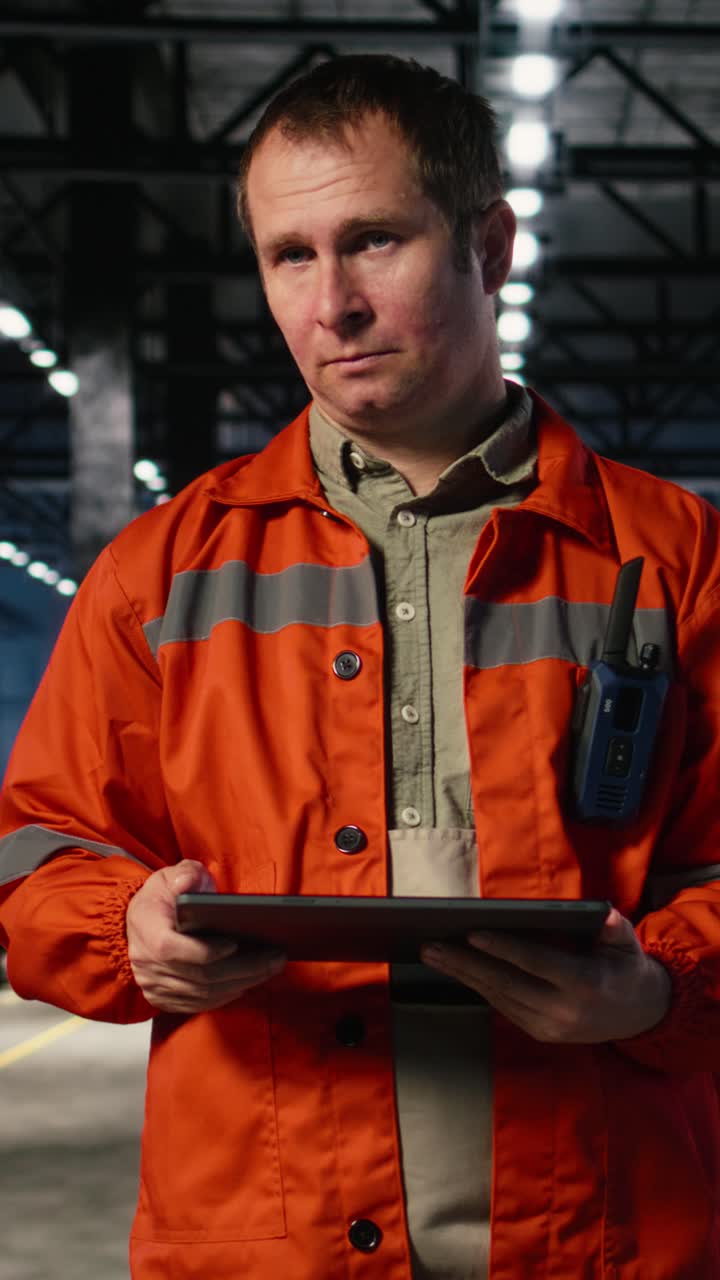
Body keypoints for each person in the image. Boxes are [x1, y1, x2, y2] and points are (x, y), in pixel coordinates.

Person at [1, 53, 720, 1280]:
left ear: (488, 245)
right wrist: (128, 930)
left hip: (603, 1225)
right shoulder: (158, 573)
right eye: (292, 254)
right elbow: (37, 847)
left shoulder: (674, 559)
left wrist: (658, 989)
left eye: (373, 240)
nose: (329, 303)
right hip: (264, 1231)